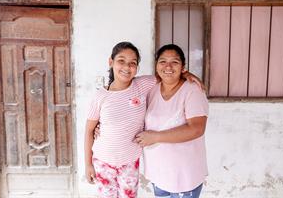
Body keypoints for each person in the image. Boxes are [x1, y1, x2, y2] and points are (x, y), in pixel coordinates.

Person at [84, 42, 201, 198]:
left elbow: (166, 74)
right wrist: (88, 164)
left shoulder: (142, 84)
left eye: (133, 63)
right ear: (110, 62)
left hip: (130, 161)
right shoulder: (100, 96)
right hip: (103, 161)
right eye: (121, 61)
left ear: (137, 67)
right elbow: (89, 131)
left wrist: (186, 74)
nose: (127, 67)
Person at [134, 44, 209, 198]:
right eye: (162, 61)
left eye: (174, 62)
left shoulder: (192, 90)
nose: (168, 66)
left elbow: (197, 129)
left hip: (184, 174)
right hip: (159, 171)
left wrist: (155, 137)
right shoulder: (152, 90)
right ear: (156, 66)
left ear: (183, 67)